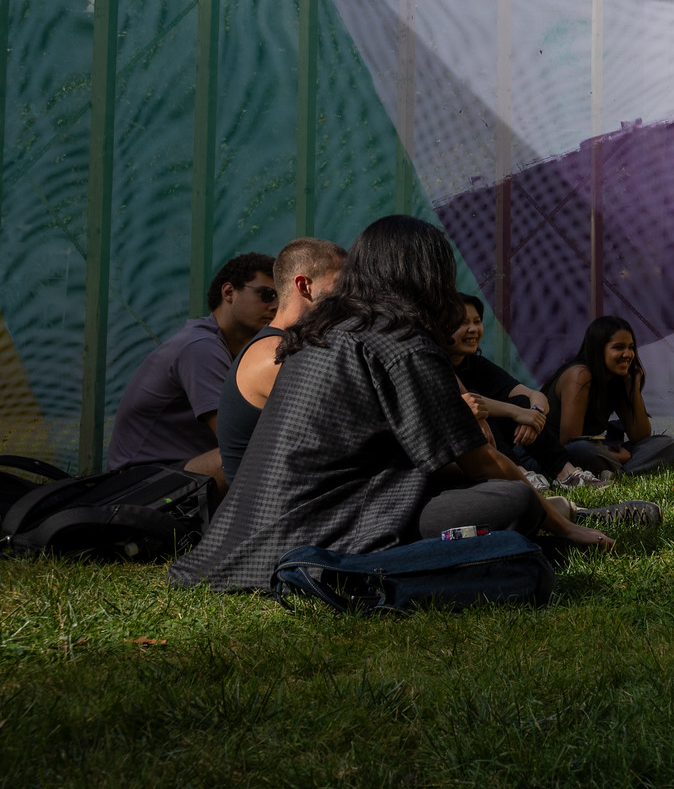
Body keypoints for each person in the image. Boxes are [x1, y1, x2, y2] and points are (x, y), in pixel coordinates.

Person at [168, 217, 612, 593]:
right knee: (512, 498)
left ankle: (539, 518)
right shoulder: (400, 341)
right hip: (328, 531)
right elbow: (480, 462)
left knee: (484, 496)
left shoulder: (322, 331)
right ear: (426, 277)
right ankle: (555, 516)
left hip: (241, 540)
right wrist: (563, 528)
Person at [107, 252, 276, 489]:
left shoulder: (227, 348)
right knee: (246, 456)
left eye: (280, 297)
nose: (276, 305)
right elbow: (233, 435)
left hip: (171, 472)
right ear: (228, 292)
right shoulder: (201, 347)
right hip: (137, 485)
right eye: (266, 294)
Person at [216, 239, 345, 483]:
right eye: (341, 284)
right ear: (304, 286)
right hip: (270, 514)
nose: (349, 296)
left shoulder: (287, 345)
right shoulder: (275, 355)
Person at [531, 317, 674, 479]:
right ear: (598, 349)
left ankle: (611, 473)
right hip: (553, 457)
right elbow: (569, 444)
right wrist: (622, 457)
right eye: (618, 347)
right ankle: (622, 472)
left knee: (666, 444)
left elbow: (641, 436)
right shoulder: (580, 375)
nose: (628, 354)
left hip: (596, 451)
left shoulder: (617, 378)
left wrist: (632, 387)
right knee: (584, 450)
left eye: (631, 347)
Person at [448, 295, 552, 461]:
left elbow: (535, 396)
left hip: (515, 446)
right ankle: (518, 473)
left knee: (524, 402)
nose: (473, 329)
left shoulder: (476, 364)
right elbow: (468, 401)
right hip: (458, 457)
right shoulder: (434, 364)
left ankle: (566, 473)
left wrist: (533, 414)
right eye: (463, 322)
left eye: (477, 321)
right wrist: (517, 413)